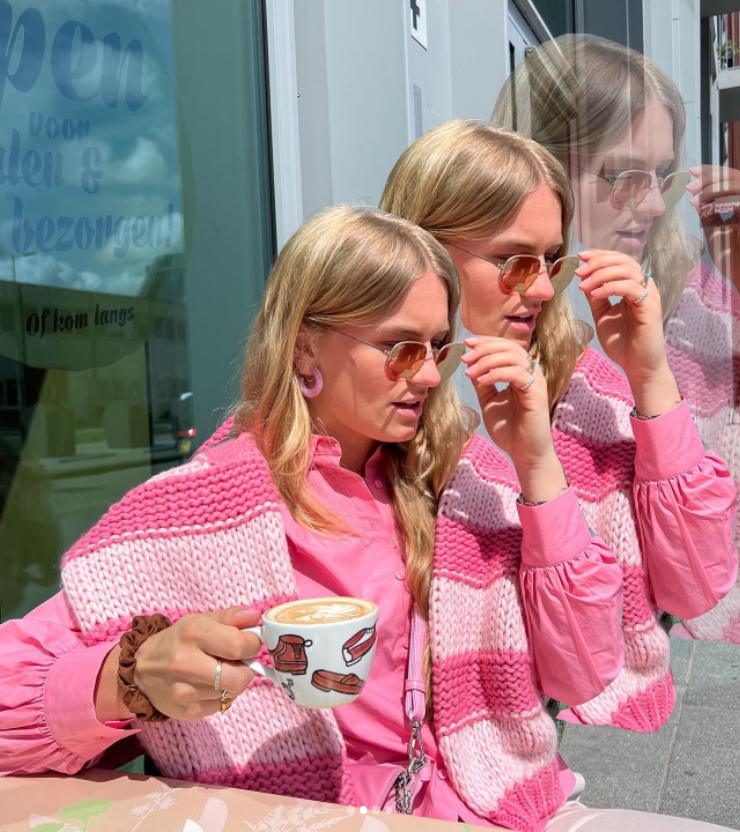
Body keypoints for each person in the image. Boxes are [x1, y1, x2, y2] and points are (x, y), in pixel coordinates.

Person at [0, 206, 734, 832]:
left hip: (494, 806)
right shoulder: (188, 515)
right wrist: (123, 681)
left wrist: (539, 465)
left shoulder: (452, 484)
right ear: (304, 346)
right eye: (399, 349)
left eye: (437, 349)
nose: (425, 375)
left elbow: (584, 668)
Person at [380, 119, 737, 737]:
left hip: (590, 725)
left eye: (551, 260)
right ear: (425, 250)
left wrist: (651, 377)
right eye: (516, 263)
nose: (544, 289)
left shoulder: (591, 389)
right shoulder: (378, 402)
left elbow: (701, 581)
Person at [492, 34, 740, 643]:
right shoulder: (483, 320)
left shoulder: (694, 301)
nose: (655, 204)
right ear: (540, 162)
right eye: (627, 176)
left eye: (662, 175)